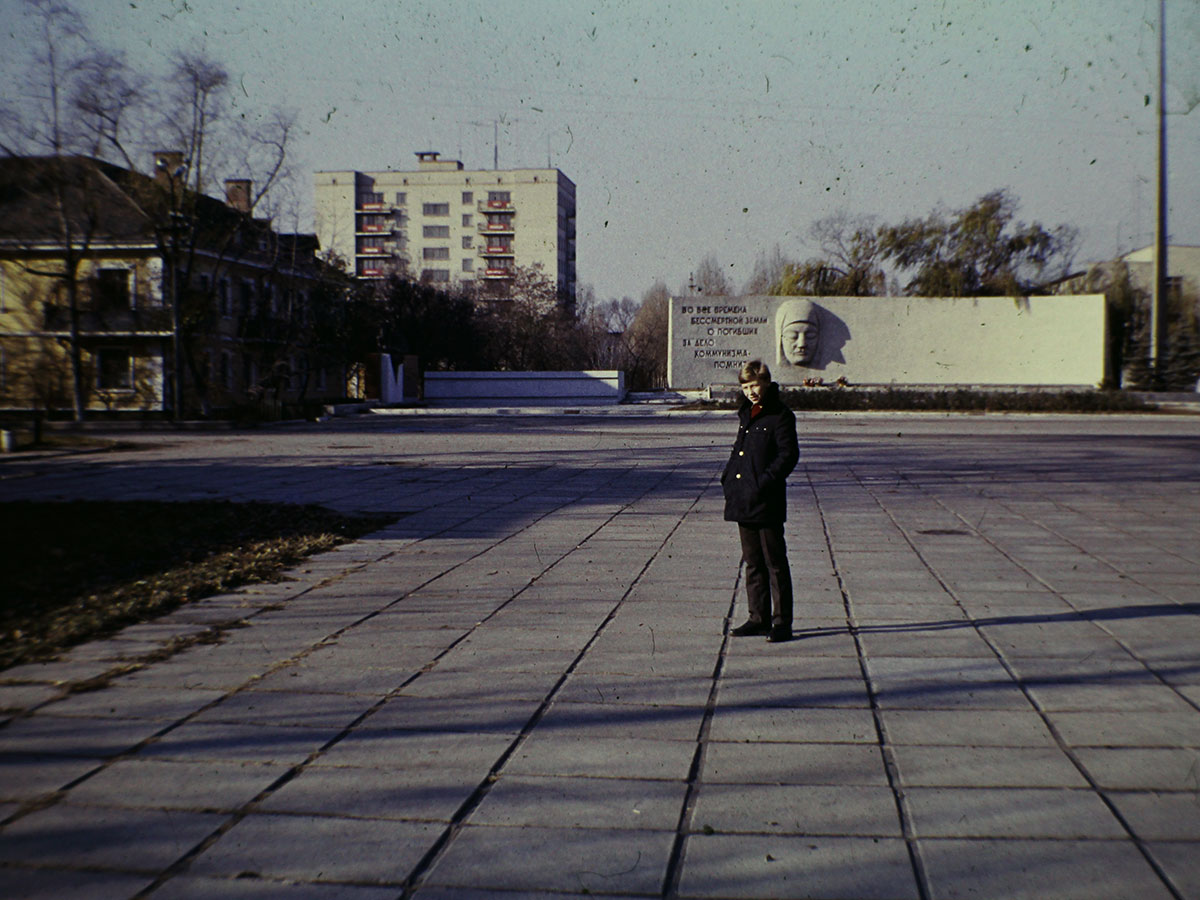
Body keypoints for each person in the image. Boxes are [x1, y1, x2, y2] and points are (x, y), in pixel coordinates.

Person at [721, 359, 799, 643]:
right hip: (743, 498)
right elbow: (740, 450)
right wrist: (728, 477)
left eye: (755, 384)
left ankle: (781, 622)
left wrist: (764, 482)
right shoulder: (746, 413)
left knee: (775, 563)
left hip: (766, 500)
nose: (751, 391)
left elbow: (788, 456)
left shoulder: (780, 415)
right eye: (745, 386)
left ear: (766, 382)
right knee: (752, 563)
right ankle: (758, 618)